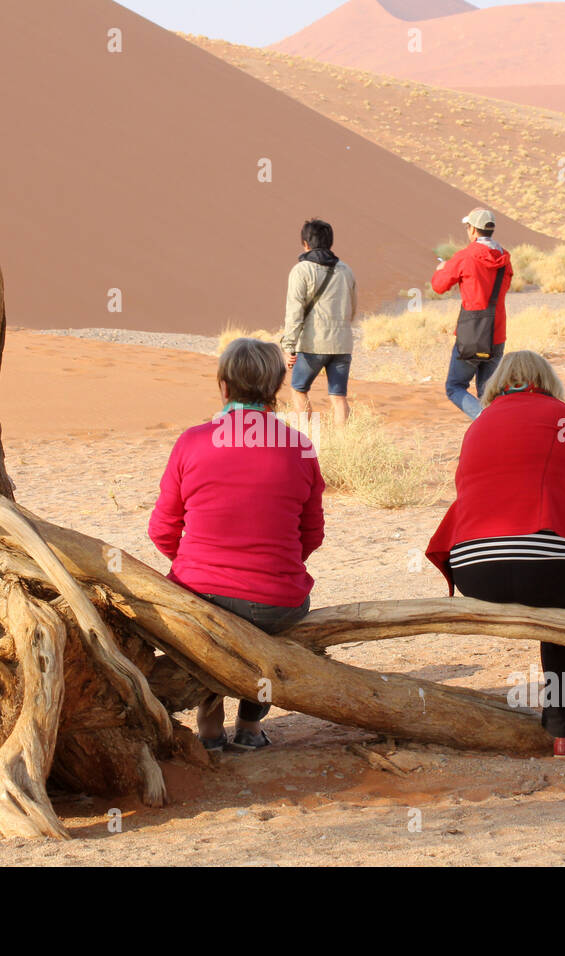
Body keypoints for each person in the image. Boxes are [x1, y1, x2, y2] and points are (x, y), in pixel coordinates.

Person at [425, 351, 565, 757]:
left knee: (551, 568)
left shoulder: (478, 426)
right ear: (548, 381)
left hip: (475, 569)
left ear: (497, 385)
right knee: (564, 622)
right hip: (550, 567)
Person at [148, 338, 324, 753]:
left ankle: (209, 727)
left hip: (201, 596)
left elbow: (161, 529)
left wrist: (196, 564)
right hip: (277, 602)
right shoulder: (300, 447)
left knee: (210, 635)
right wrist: (273, 564)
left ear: (224, 386)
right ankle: (249, 724)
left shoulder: (192, 442)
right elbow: (311, 535)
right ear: (277, 387)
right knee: (265, 638)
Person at [433, 207, 513, 419]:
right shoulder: (505, 258)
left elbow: (439, 286)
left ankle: (489, 422)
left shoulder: (465, 256)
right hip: (496, 333)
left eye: (468, 227)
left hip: (471, 334)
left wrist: (442, 270)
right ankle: (498, 431)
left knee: (455, 387)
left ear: (473, 231)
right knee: (489, 394)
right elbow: (505, 286)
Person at [281, 219, 357, 431]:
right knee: (339, 396)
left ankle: (307, 441)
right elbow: (353, 309)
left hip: (312, 345)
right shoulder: (346, 270)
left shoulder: (301, 270)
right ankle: (344, 448)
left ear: (305, 243)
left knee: (298, 389)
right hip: (342, 344)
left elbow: (294, 312)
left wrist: (289, 346)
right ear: (330, 242)